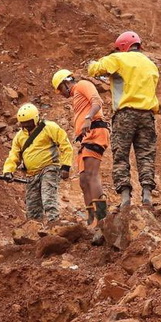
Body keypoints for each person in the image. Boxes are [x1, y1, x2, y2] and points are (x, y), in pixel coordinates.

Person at [87, 31, 159, 207]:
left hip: (125, 114)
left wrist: (92, 63)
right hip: (147, 115)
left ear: (122, 47)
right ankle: (147, 193)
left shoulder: (119, 58)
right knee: (146, 155)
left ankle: (125, 197)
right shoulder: (151, 65)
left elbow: (94, 70)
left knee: (121, 155)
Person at [53, 69, 110, 226]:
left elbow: (97, 101)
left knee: (91, 175)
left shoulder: (83, 85)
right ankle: (91, 219)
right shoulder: (76, 96)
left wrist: (88, 118)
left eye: (60, 88)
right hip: (86, 138)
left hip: (95, 132)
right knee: (83, 180)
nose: (60, 93)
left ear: (66, 82)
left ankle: (102, 219)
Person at [2, 103, 73, 224]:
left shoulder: (50, 127)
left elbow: (65, 145)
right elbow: (14, 155)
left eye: (28, 122)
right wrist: (8, 171)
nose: (26, 125)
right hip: (31, 174)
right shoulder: (20, 136)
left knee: (48, 198)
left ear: (35, 118)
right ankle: (35, 232)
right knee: (32, 207)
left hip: (49, 168)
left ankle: (54, 224)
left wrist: (65, 166)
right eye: (23, 123)